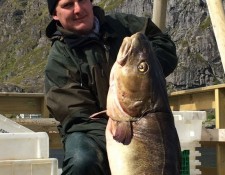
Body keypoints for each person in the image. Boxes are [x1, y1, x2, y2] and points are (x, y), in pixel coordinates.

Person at [44, 0, 178, 174]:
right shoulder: (59, 61)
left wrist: (147, 70)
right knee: (83, 160)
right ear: (55, 14)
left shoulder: (124, 24)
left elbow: (162, 43)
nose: (78, 9)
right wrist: (119, 130)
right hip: (89, 131)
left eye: (82, 0)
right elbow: (78, 116)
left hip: (140, 119)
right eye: (68, 5)